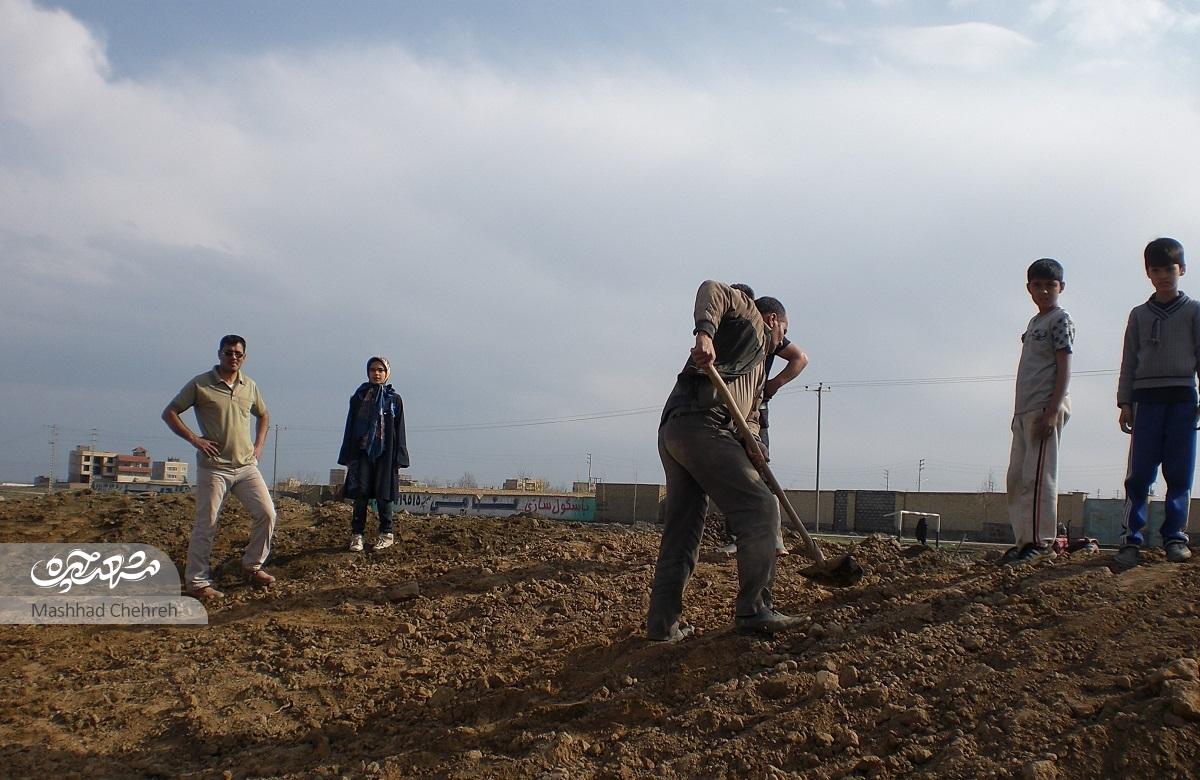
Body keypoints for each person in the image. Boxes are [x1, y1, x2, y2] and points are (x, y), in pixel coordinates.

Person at [647, 280, 801, 642]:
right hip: (702, 425)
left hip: (676, 432)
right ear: (773, 318)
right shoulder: (751, 318)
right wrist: (703, 333)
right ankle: (755, 609)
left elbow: (746, 418)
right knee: (762, 508)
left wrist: (755, 446)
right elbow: (712, 289)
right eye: (785, 330)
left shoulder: (755, 367)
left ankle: (663, 625)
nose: (783, 339)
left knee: (682, 532)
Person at [162, 335, 276, 600]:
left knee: (267, 514)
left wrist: (258, 446)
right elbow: (170, 412)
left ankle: (252, 566)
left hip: (246, 466)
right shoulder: (201, 384)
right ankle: (197, 582)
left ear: (244, 357)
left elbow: (264, 415)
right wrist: (194, 439)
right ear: (219, 354)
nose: (233, 357)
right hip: (214, 468)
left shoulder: (250, 385)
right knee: (207, 524)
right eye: (228, 353)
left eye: (238, 354)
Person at [1114, 237, 1198, 569]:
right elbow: (1128, 361)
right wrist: (1125, 402)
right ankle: (1131, 540)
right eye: (1156, 269)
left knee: (1179, 472)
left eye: (1170, 269)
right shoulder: (1138, 315)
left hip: (1182, 399)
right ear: (1148, 273)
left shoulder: (1194, 311)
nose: (1164, 275)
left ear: (1182, 270)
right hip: (1146, 401)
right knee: (1139, 474)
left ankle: (1175, 537)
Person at [719, 285, 809, 557]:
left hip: (753, 409)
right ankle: (741, 536)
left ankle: (772, 537)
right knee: (731, 471)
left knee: (758, 466)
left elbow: (800, 358)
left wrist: (773, 384)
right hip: (728, 407)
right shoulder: (731, 330)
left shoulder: (767, 332)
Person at [1003, 259, 1073, 566]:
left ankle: (1039, 542)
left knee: (1038, 477)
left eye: (1050, 285)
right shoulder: (1034, 324)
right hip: (1024, 410)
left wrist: (1053, 409)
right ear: (1029, 287)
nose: (1044, 291)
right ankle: (1022, 542)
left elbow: (1064, 365)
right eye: (1038, 285)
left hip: (1045, 408)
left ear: (1061, 288)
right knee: (1017, 478)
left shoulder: (1060, 320)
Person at [337, 356, 409, 552]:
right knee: (360, 494)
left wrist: (400, 458)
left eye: (380, 370)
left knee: (383, 494)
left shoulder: (393, 399)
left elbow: (399, 428)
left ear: (387, 373)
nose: (376, 373)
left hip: (385, 454)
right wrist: (347, 455)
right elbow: (350, 426)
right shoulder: (359, 398)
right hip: (362, 453)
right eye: (373, 370)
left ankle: (386, 533)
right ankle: (357, 535)